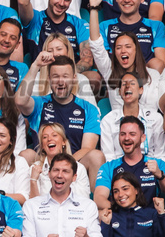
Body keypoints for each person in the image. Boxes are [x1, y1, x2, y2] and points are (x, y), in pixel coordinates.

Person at [19, 154, 108, 237]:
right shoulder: (32, 205)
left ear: (74, 177)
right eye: (56, 170)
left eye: (65, 171)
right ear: (49, 174)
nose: (59, 175)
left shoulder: (87, 205)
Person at [16, 52, 105, 183]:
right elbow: (20, 101)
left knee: (96, 156)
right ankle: (25, 201)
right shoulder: (40, 104)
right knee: (26, 155)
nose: (61, 81)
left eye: (65, 76)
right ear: (49, 79)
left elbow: (87, 148)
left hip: (75, 165)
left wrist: (62, 167)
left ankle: (96, 203)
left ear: (74, 78)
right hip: (42, 164)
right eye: (55, 76)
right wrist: (35, 65)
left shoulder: (88, 109)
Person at [95, 117, 165, 214]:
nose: (126, 138)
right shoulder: (108, 167)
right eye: (122, 134)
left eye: (132, 134)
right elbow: (99, 198)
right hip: (121, 218)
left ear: (142, 138)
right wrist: (121, 210)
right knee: (101, 216)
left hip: (150, 218)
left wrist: (160, 175)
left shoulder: (157, 164)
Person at [99, 72, 165, 163]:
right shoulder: (108, 120)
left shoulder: (155, 118)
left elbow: (161, 156)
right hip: (119, 170)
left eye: (132, 83)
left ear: (141, 90)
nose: (127, 86)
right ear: (119, 92)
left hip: (149, 168)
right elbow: (109, 158)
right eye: (124, 84)